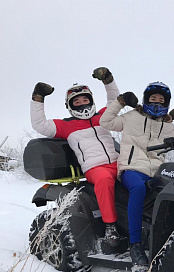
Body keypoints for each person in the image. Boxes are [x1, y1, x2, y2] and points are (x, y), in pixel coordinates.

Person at [100, 81, 174, 267]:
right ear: (146, 99)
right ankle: (135, 244)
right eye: (153, 98)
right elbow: (105, 122)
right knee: (138, 189)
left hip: (157, 172)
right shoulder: (131, 117)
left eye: (161, 100)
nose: (157, 103)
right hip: (132, 169)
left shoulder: (167, 127)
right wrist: (120, 102)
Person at [30, 67, 121, 248]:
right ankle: (110, 227)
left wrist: (108, 80)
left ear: (91, 101)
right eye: (76, 101)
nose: (81, 103)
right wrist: (38, 97)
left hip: (118, 162)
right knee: (104, 180)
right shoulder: (66, 126)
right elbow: (39, 124)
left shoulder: (102, 117)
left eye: (85, 99)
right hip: (95, 168)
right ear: (70, 105)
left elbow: (115, 101)